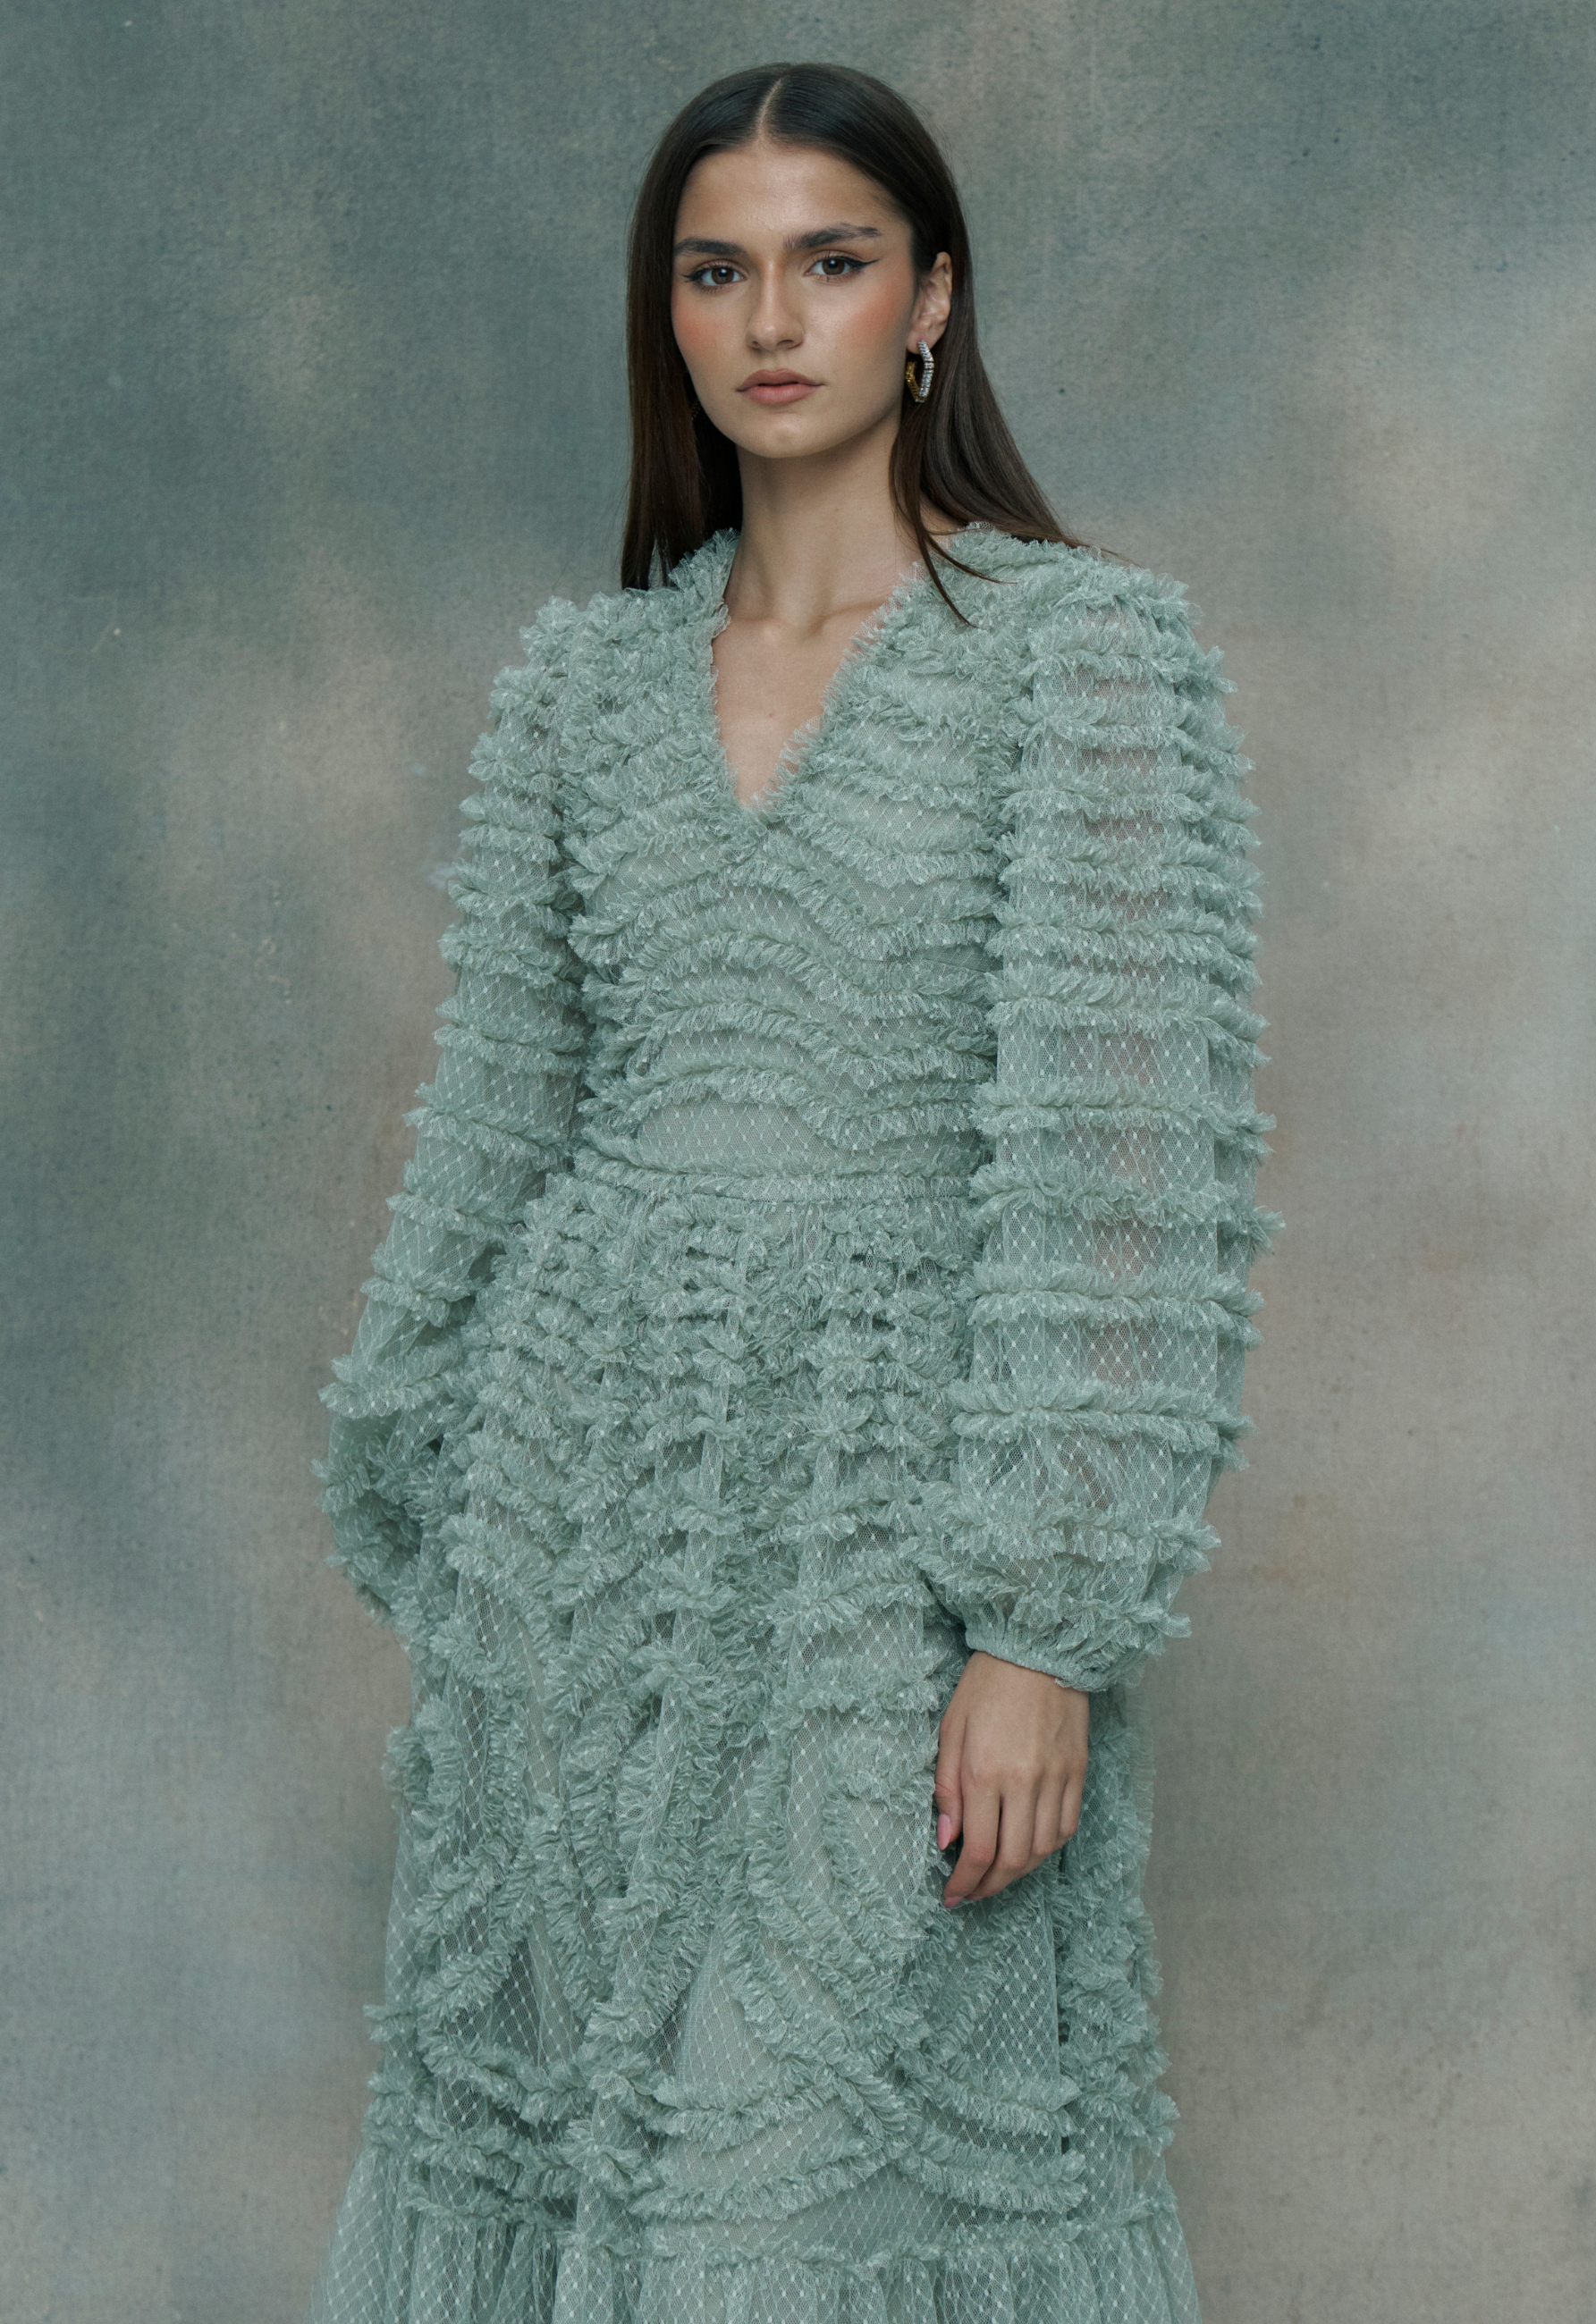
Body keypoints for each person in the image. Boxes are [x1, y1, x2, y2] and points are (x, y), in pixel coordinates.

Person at [306, 58, 1275, 2324]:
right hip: (575, 1540)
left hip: (892, 1541)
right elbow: (497, 1125)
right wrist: (435, 1503)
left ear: (931, 297)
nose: (771, 320)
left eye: (830, 262)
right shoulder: (583, 685)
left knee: (809, 2183)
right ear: (666, 313)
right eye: (715, 270)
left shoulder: (1081, 659)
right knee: (552, 2167)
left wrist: (1042, 1622)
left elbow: (1127, 1172)